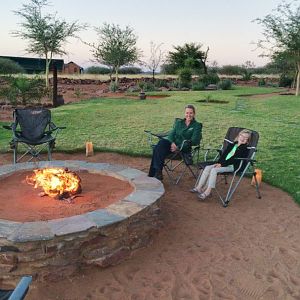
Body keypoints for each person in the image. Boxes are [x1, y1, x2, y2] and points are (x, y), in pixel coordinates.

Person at [191, 129, 252, 200]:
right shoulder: (232, 145)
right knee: (208, 167)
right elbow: (224, 155)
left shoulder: (244, 149)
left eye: (246, 138)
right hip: (223, 163)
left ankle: (208, 191)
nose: (243, 138)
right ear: (239, 136)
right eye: (242, 136)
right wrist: (219, 163)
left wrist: (221, 164)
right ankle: (199, 187)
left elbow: (234, 160)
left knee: (214, 170)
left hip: (233, 166)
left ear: (248, 140)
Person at [148, 104, 202, 180]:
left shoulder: (197, 125)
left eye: (191, 113)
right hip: (173, 144)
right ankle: (158, 172)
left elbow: (194, 141)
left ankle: (155, 172)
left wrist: (178, 147)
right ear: (184, 113)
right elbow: (171, 134)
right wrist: (172, 143)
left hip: (183, 149)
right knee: (161, 143)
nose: (188, 115)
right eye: (187, 113)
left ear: (194, 114)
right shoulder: (179, 122)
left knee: (157, 149)